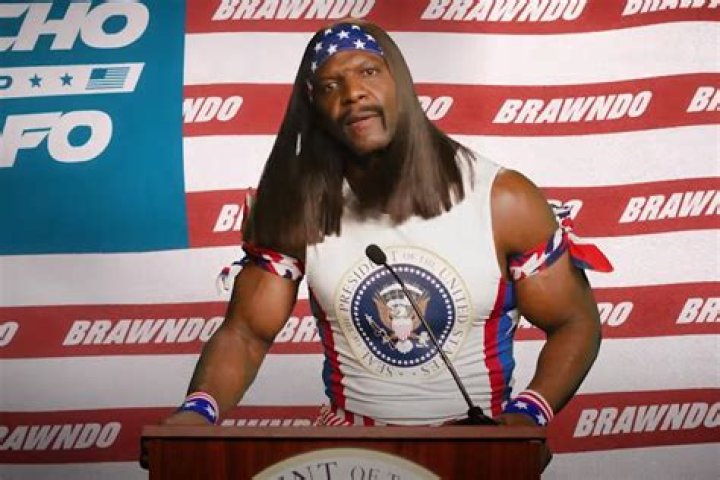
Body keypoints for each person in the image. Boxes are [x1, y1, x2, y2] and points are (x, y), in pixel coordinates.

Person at [163, 20, 612, 432]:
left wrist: (528, 415)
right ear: (315, 107)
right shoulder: (299, 207)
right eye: (330, 86)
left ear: (401, 83)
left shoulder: (503, 200)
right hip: (350, 452)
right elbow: (246, 333)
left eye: (369, 72)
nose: (352, 93)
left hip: (478, 448)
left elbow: (574, 322)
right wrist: (198, 410)